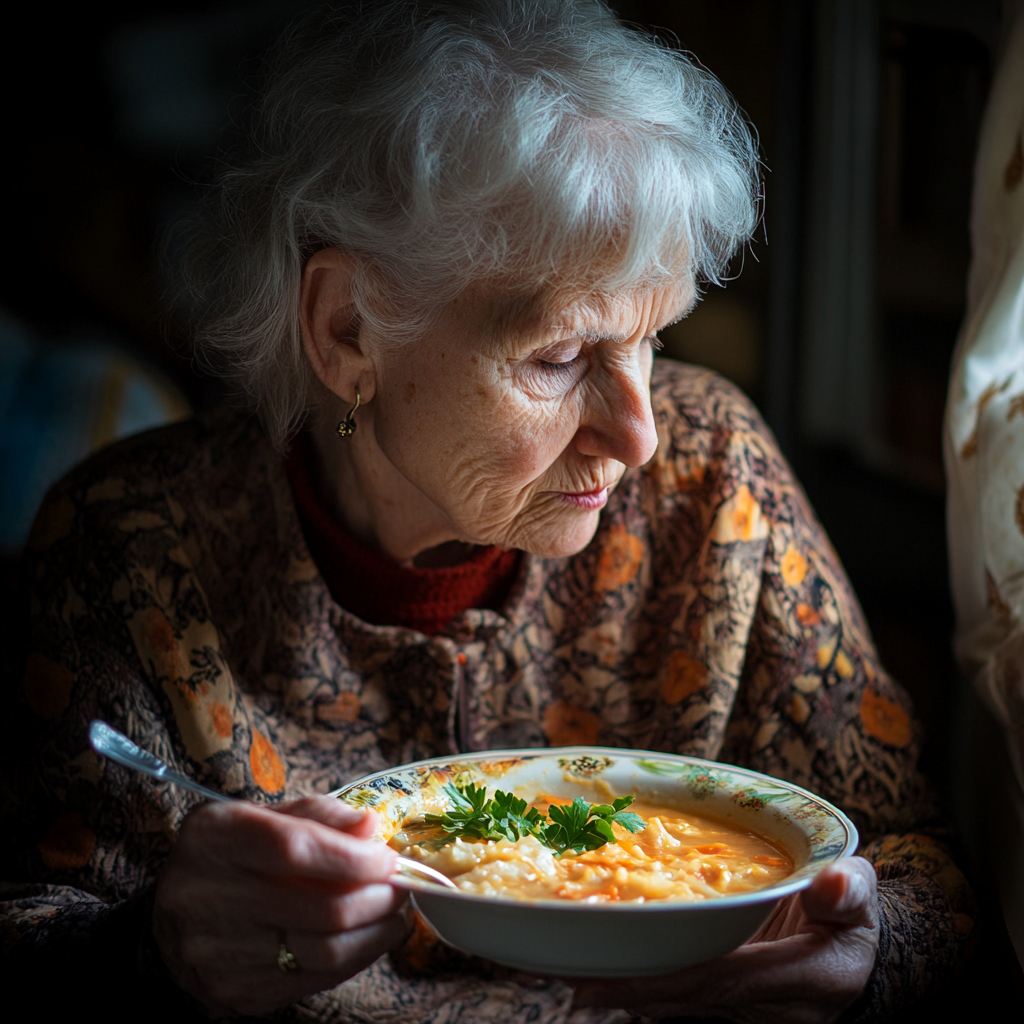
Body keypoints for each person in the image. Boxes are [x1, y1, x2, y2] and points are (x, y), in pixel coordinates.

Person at [1, 2, 973, 1022]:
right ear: (347, 332)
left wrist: (871, 960)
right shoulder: (126, 549)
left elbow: (917, 864)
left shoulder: (712, 476)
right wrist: (157, 952)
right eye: (560, 358)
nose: (637, 434)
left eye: (649, 339)